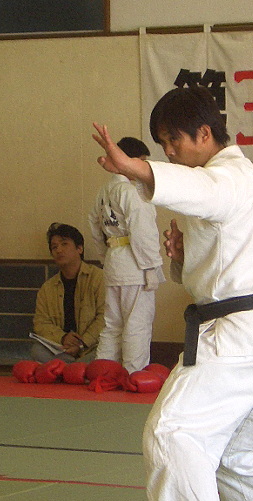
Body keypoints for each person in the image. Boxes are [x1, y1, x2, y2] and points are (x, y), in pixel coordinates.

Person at [92, 86, 253, 501]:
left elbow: (204, 195)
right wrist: (182, 255)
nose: (168, 153)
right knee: (242, 443)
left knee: (172, 432)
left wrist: (137, 169)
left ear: (205, 133)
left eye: (173, 141)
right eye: (161, 145)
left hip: (236, 334)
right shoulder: (241, 177)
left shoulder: (225, 178)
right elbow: (218, 263)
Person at [88, 137, 165, 373]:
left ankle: (103, 374)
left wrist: (105, 257)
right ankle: (134, 375)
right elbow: (143, 232)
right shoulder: (129, 192)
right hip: (135, 265)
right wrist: (151, 267)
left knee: (112, 325)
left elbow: (94, 228)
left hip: (113, 261)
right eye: (140, 163)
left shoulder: (103, 191)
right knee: (136, 324)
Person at [31, 222, 106, 363]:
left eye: (64, 244)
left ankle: (66, 370)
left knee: (107, 351)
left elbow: (105, 317)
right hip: (62, 348)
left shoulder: (98, 278)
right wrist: (63, 338)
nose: (59, 250)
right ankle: (75, 370)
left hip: (90, 346)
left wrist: (82, 343)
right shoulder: (47, 288)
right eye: (54, 247)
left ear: (79, 248)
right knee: (37, 350)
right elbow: (40, 323)